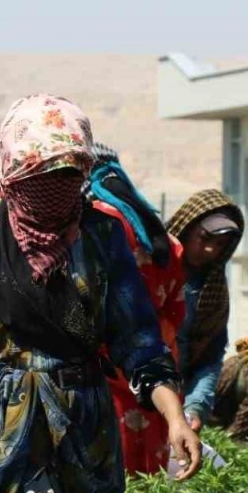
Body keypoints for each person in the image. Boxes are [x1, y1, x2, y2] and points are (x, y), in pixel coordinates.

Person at [0, 95, 201, 493]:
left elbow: (139, 342)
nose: (53, 190)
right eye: (40, 177)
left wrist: (175, 417)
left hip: (79, 428)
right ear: (13, 173)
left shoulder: (101, 238)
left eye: (67, 176)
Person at [86, 143, 187, 476]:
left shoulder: (98, 224)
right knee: (148, 481)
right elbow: (176, 310)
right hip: (154, 372)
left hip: (106, 374)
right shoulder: (157, 232)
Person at [165, 190, 245, 431]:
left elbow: (210, 356)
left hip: (179, 400)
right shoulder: (150, 274)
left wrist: (196, 406)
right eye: (204, 238)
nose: (210, 250)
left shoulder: (214, 291)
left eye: (219, 244)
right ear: (186, 228)